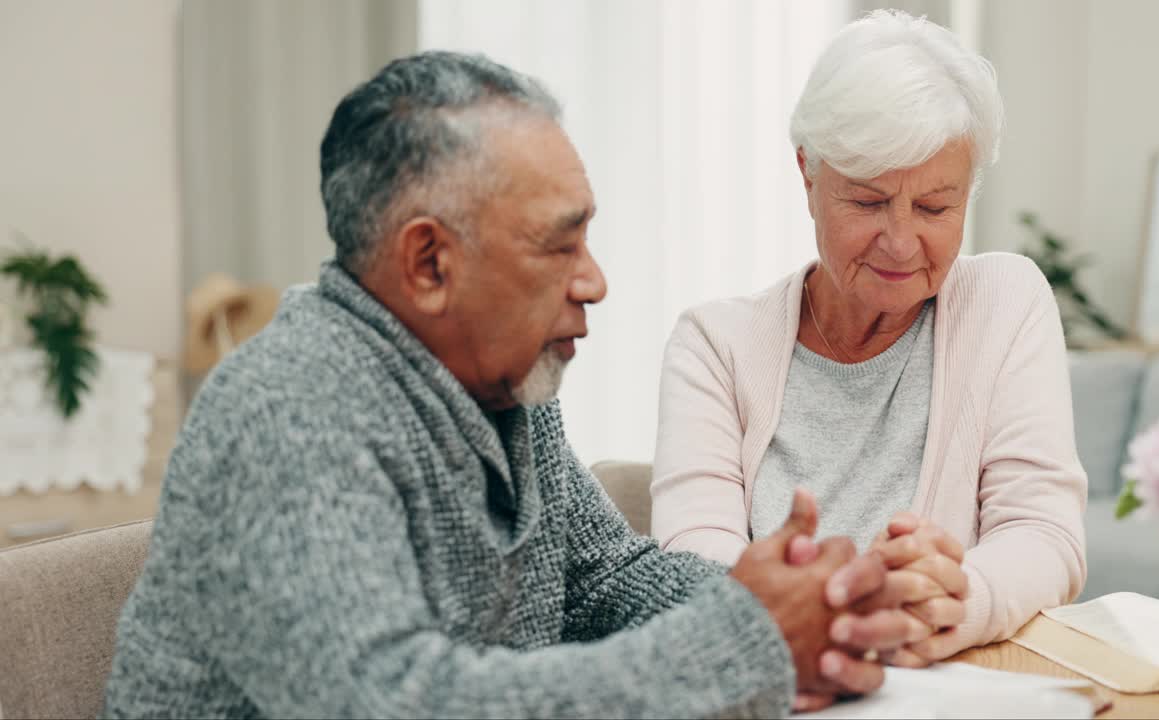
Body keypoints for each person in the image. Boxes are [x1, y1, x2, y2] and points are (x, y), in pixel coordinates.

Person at [102, 51, 918, 719]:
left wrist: (811, 605)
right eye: (558, 248)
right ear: (428, 264)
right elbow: (398, 705)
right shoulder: (288, 412)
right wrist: (749, 638)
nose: (595, 282)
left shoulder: (504, 386)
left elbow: (605, 580)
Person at [651, 9, 1087, 668]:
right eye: (867, 201)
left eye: (936, 207)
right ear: (808, 175)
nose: (902, 241)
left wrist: (959, 598)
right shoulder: (714, 344)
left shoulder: (1006, 302)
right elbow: (691, 556)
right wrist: (825, 615)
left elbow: (1044, 532)